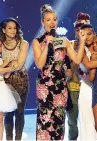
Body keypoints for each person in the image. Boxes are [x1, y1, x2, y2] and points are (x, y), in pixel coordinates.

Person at [32, 4, 86, 140]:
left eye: (54, 19)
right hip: (44, 86)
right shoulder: (37, 42)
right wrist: (47, 45)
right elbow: (40, 64)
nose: (52, 22)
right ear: (42, 22)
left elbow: (77, 59)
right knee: (45, 120)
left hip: (60, 86)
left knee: (58, 120)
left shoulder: (64, 41)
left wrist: (82, 41)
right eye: (48, 19)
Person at [0, 17, 30, 140]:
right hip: (5, 82)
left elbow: (19, 64)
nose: (13, 30)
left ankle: (18, 138)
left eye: (14, 28)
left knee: (19, 112)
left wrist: (5, 67)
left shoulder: (24, 43)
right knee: (8, 112)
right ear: (4, 30)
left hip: (21, 81)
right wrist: (9, 64)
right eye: (9, 28)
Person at [66, 12, 90, 140]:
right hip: (73, 88)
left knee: (90, 121)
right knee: (72, 122)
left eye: (84, 30)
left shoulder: (95, 45)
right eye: (78, 30)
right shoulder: (69, 45)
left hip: (91, 88)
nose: (81, 33)